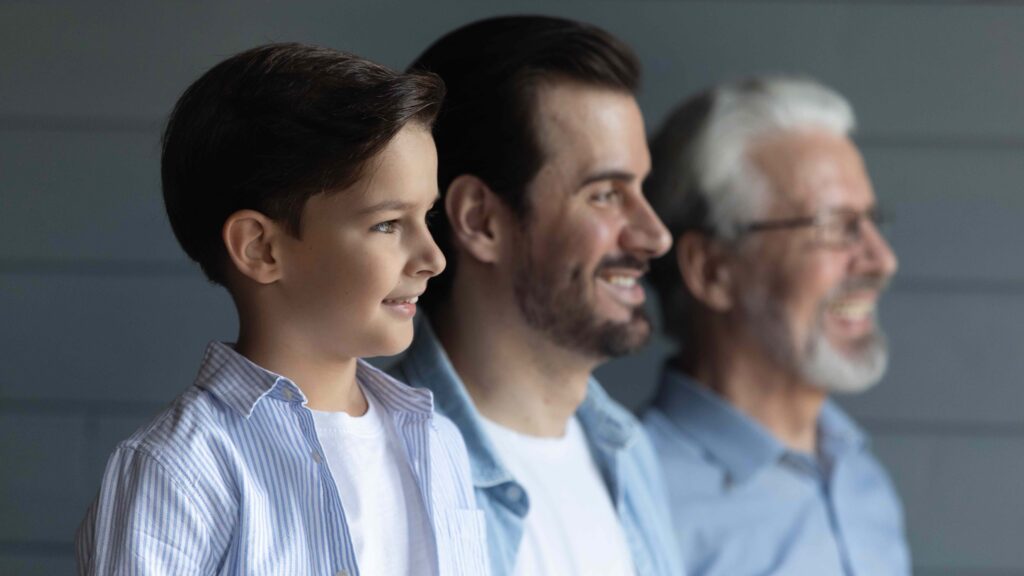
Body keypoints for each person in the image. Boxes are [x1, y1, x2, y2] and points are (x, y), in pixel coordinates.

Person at [75, 43, 488, 576]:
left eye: (426, 217)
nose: (432, 258)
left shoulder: (437, 441)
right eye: (387, 224)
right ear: (260, 249)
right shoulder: (179, 469)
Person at [390, 16, 682, 576]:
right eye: (604, 194)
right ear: (480, 220)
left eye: (640, 190)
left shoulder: (628, 451)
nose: (654, 235)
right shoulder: (372, 469)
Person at [643, 76, 911, 575]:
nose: (882, 260)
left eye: (872, 222)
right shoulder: (637, 499)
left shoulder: (862, 479)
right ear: (711, 270)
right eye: (835, 226)